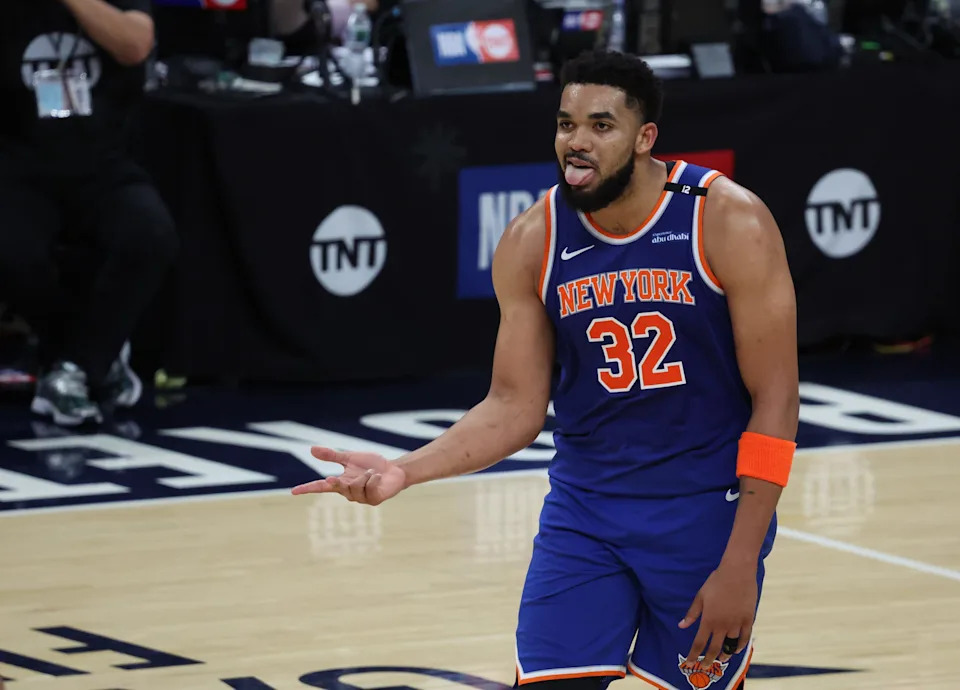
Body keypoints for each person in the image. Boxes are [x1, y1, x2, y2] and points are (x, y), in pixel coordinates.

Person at [292, 49, 799, 690]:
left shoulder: (727, 220)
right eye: (566, 124)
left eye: (600, 126)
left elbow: (776, 401)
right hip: (585, 514)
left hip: (702, 519)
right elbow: (513, 405)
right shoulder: (533, 238)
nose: (577, 143)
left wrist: (741, 561)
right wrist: (405, 469)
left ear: (646, 139)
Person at [0, 0, 178, 425]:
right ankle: (87, 359)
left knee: (151, 233)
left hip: (102, 162)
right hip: (17, 163)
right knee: (12, 251)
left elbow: (136, 44)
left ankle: (74, 371)